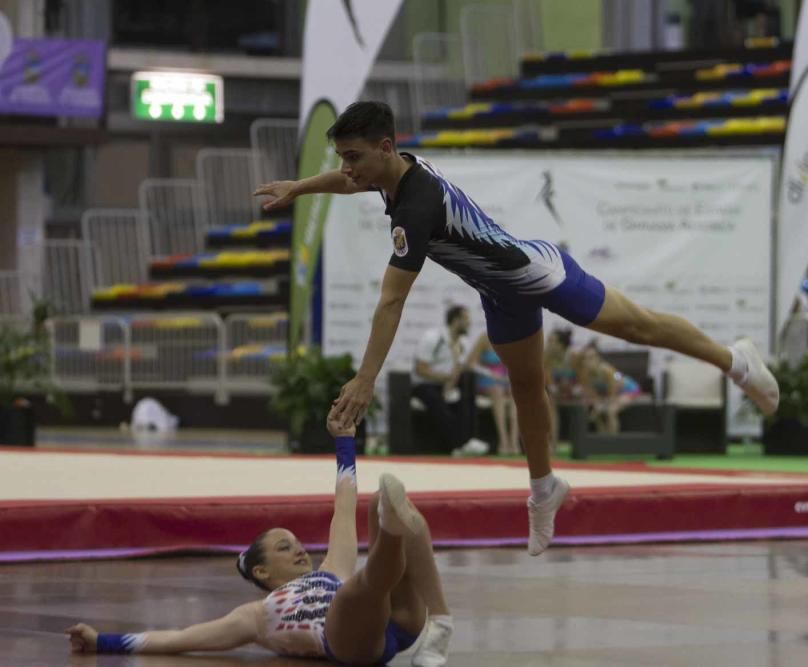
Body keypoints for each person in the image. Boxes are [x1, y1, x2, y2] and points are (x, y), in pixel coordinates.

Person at [254, 100, 779, 556]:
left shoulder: (416, 205)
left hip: (539, 273)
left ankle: (735, 361)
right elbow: (348, 184)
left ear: (387, 147)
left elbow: (391, 301)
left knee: (637, 327)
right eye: (342, 158)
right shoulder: (392, 174)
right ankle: (544, 488)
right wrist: (300, 187)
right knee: (527, 389)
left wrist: (365, 379)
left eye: (354, 158)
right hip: (501, 292)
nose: (346, 171)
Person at [66, 411, 454, 667]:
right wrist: (104, 641)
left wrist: (345, 440)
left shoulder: (328, 569)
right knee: (362, 587)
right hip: (350, 640)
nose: (300, 548)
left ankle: (435, 616)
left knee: (373, 503)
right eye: (285, 547)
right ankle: (391, 528)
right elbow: (181, 638)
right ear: (262, 570)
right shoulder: (255, 616)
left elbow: (342, 502)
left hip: (401, 622)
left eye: (297, 542)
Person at [413, 304, 488, 457]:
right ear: (456, 320)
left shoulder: (464, 343)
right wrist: (444, 379)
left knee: (466, 394)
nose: (469, 323)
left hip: (446, 383)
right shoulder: (433, 338)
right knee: (436, 400)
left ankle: (467, 441)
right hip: (425, 384)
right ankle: (461, 444)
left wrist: (449, 387)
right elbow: (420, 369)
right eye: (466, 319)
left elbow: (458, 369)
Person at [465, 332, 519, 455]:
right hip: (487, 379)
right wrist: (491, 374)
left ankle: (514, 441)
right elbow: (471, 363)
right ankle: (503, 441)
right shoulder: (484, 338)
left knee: (515, 393)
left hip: (506, 379)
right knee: (497, 391)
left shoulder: (514, 336)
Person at [575, 343, 642, 435]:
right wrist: (598, 403)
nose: (587, 361)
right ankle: (602, 439)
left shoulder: (606, 370)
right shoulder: (585, 374)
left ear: (597, 358)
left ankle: (612, 441)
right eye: (585, 358)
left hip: (629, 390)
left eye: (591, 358)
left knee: (611, 411)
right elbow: (592, 393)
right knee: (596, 412)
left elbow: (614, 390)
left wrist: (604, 403)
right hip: (609, 393)